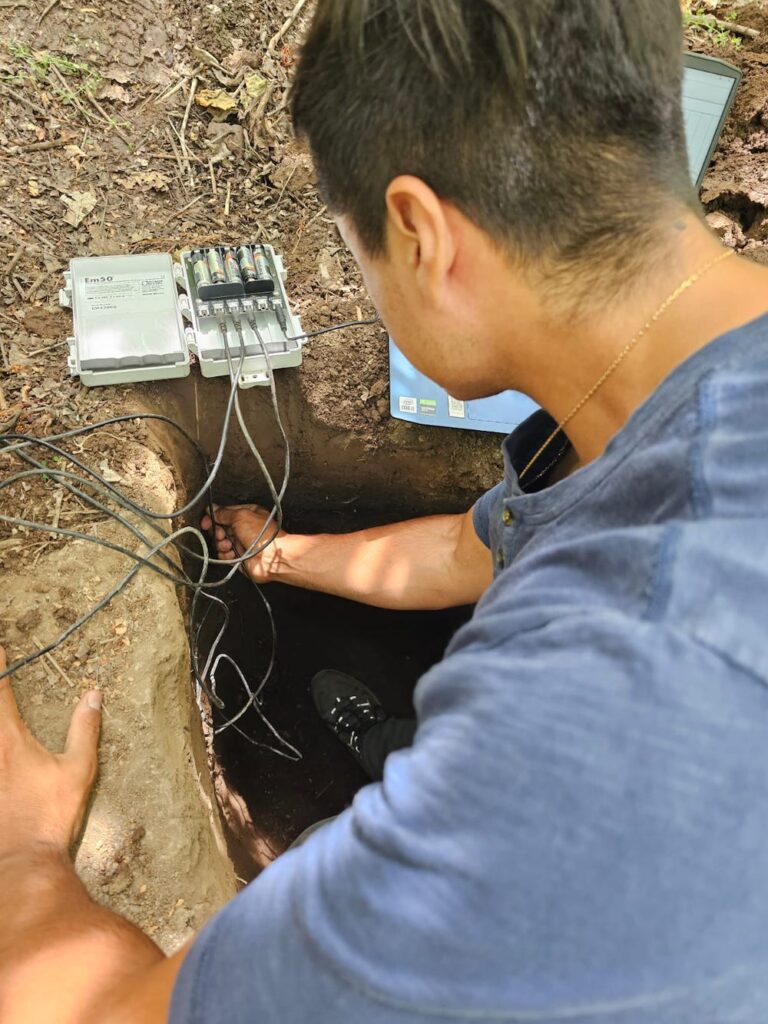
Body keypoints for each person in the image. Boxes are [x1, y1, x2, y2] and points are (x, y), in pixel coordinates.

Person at [2, 0, 768, 1021]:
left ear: (420, 232)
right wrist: (283, 557)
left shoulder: (572, 757)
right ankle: (394, 745)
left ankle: (391, 785)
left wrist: (23, 857)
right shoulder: (685, 400)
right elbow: (484, 544)